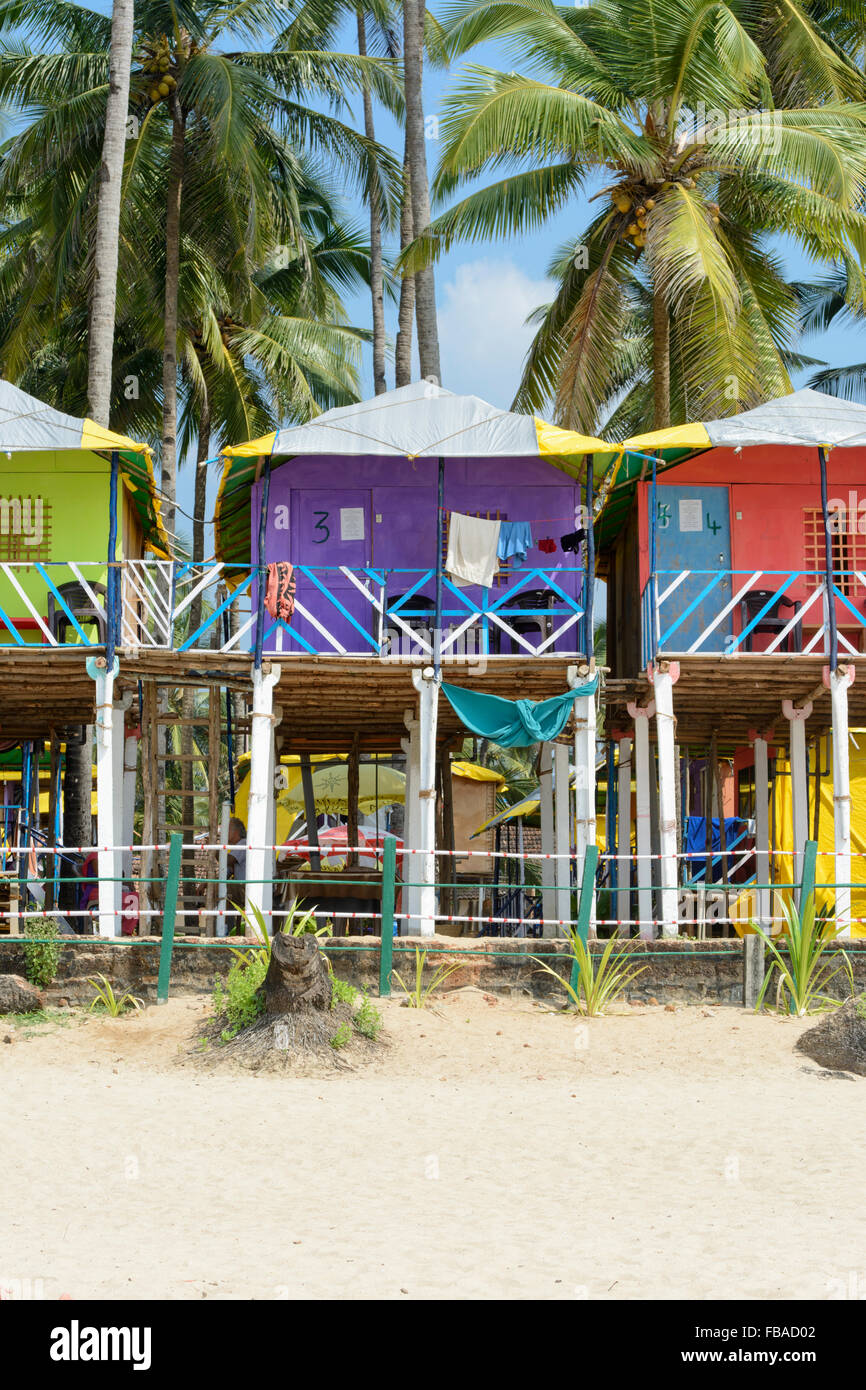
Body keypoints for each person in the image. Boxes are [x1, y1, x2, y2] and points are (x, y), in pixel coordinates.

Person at [225, 816, 246, 933]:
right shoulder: (236, 849)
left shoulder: (243, 843)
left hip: (246, 888)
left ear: (236, 832)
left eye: (227, 829)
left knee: (223, 890)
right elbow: (227, 871)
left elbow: (227, 861)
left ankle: (224, 929)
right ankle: (230, 929)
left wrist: (214, 851)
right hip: (241, 889)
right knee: (221, 887)